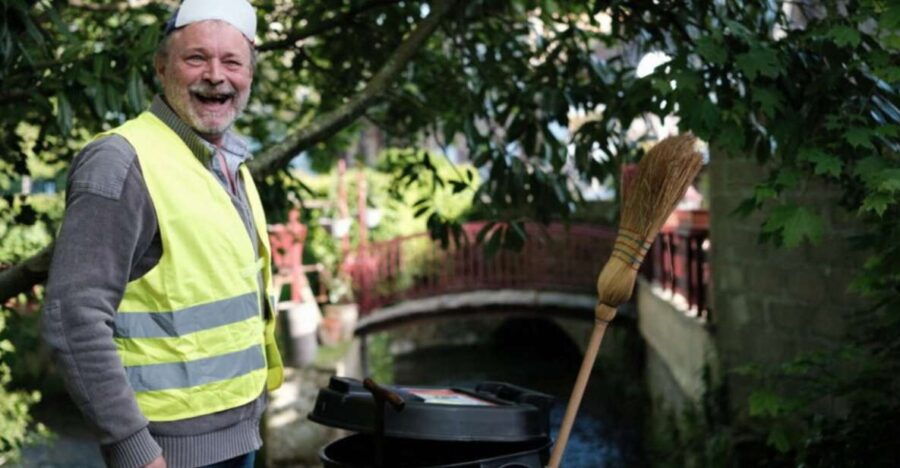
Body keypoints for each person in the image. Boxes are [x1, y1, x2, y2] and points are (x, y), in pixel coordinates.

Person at [40, 0, 283, 466]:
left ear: (250, 75)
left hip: (237, 437)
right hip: (166, 454)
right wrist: (134, 448)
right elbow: (71, 317)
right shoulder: (121, 160)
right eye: (196, 58)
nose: (216, 75)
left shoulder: (227, 162)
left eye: (232, 61)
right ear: (160, 67)